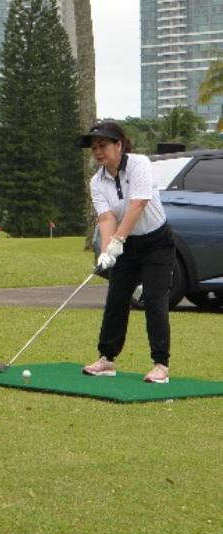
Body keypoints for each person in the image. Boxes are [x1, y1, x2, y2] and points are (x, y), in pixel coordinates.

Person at [80, 120, 175, 384]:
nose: (98, 152)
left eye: (103, 145)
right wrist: (106, 250)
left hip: (157, 242)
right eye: (94, 148)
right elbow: (106, 217)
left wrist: (118, 239)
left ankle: (160, 365)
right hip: (127, 246)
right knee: (116, 300)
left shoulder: (139, 164)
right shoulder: (96, 181)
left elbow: (138, 203)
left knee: (155, 301)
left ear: (118, 145)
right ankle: (106, 359)